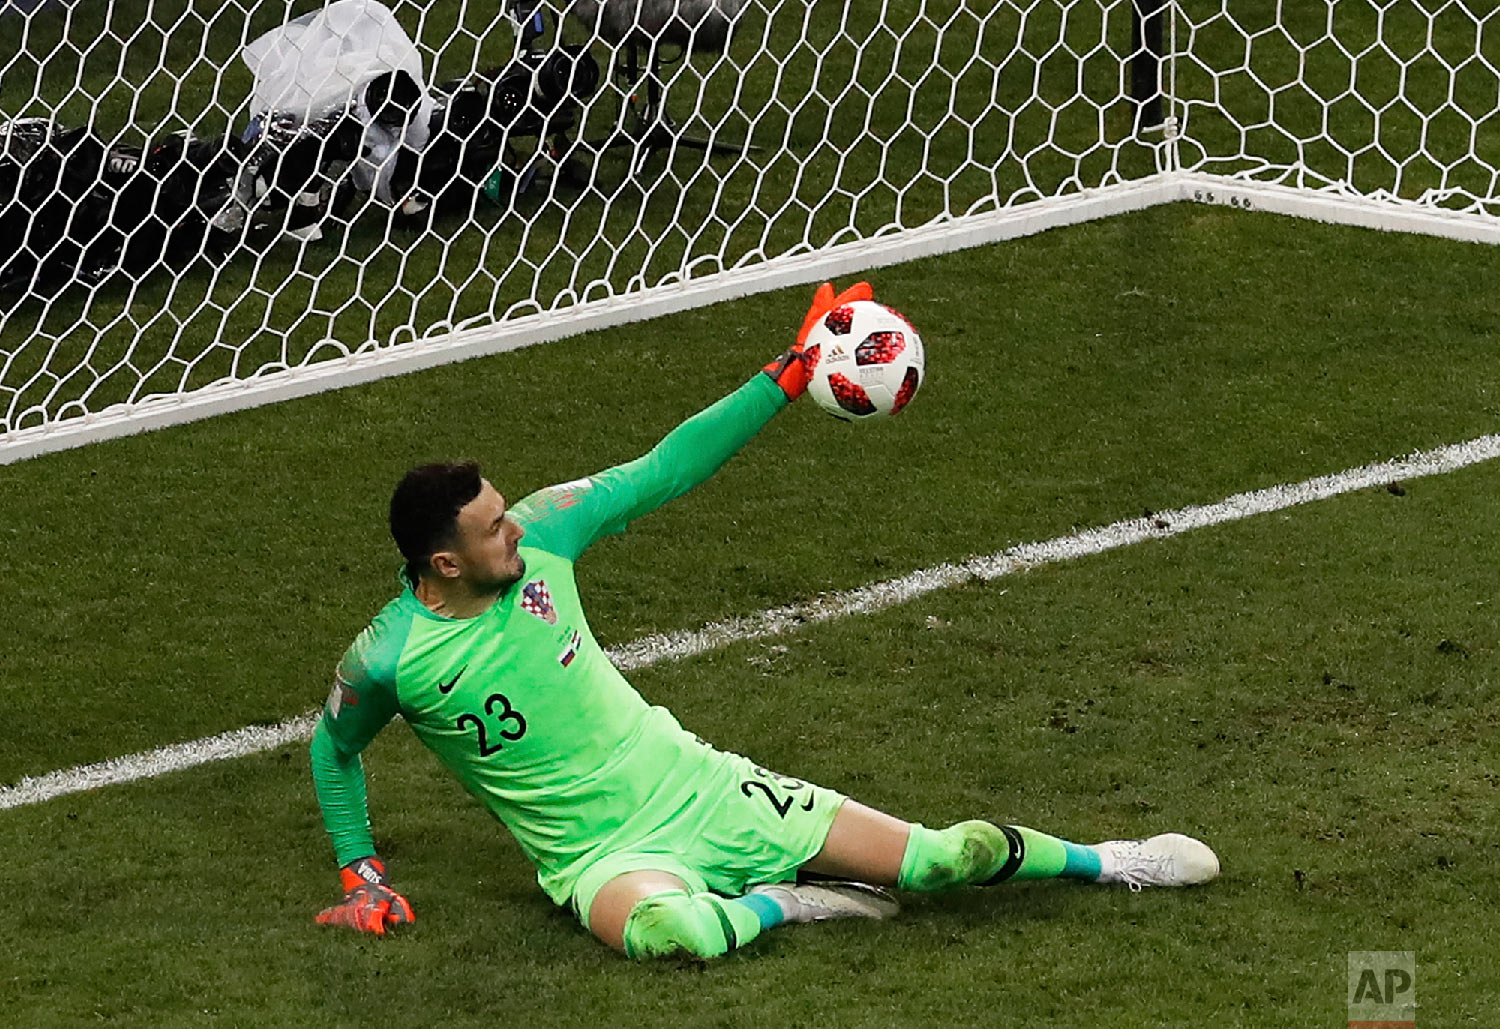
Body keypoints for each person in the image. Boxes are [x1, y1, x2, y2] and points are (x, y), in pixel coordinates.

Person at [310, 282, 1220, 959]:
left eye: (507, 512)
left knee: (944, 859)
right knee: (671, 937)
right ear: (443, 562)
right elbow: (333, 747)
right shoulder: (390, 655)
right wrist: (363, 873)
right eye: (491, 528)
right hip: (595, 854)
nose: (514, 528)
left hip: (703, 788)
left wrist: (785, 377)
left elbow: (666, 467)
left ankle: (1111, 858)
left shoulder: (547, 533)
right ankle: (791, 900)